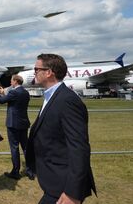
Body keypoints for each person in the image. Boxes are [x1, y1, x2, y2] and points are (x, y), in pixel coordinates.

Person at [25, 54, 96, 204]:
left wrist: (73, 193)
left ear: (49, 72)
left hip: (64, 186)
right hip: (53, 181)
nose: (34, 72)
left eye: (37, 69)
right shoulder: (52, 96)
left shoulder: (67, 100)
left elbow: (79, 148)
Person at [0, 75, 34, 180]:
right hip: (23, 123)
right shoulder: (25, 92)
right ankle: (30, 170)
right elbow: (12, 100)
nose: (10, 82)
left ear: (15, 81)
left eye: (11, 80)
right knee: (25, 147)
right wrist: (3, 93)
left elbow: (1, 101)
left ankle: (15, 171)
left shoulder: (14, 92)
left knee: (14, 148)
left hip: (13, 124)